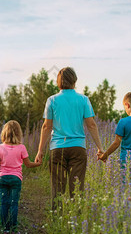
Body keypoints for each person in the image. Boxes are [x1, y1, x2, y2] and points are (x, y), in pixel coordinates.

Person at [35, 67, 104, 209]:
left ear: (58, 82)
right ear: (74, 80)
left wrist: (40, 150)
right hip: (78, 149)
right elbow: (91, 125)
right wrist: (100, 148)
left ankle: (57, 220)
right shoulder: (84, 100)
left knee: (57, 189)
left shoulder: (52, 100)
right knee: (77, 189)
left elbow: (46, 127)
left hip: (57, 149)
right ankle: (77, 223)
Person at [0, 120, 41, 234]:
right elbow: (28, 164)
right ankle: (14, 228)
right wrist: (38, 164)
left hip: (2, 179)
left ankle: (5, 229)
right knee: (14, 203)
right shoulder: (21, 148)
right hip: (16, 179)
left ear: (4, 133)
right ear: (19, 133)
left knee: (4, 203)